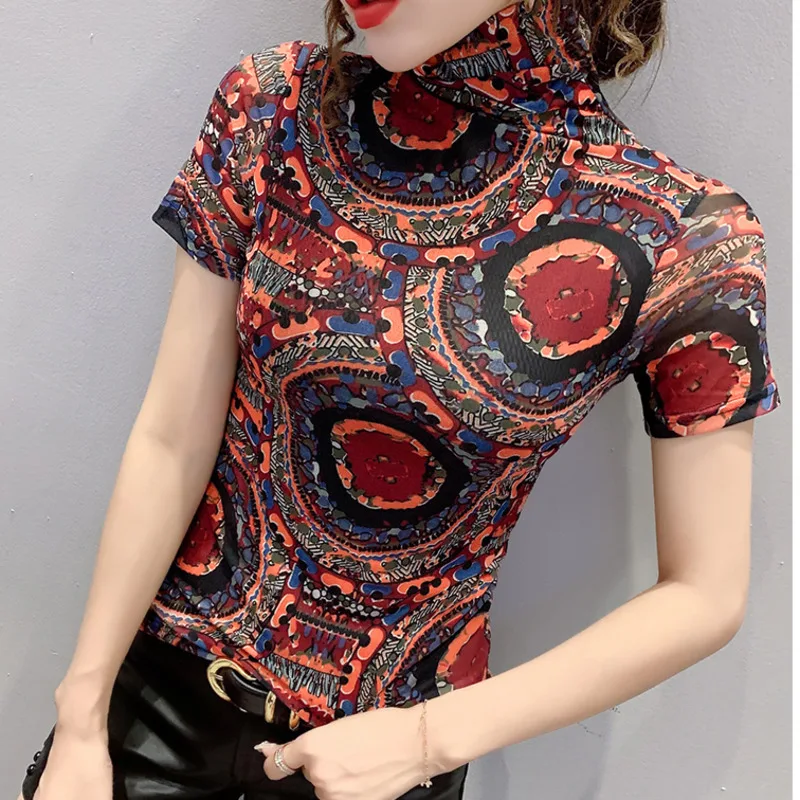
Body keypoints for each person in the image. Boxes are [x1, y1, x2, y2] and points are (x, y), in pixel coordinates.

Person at [19, 0, 782, 798]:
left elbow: (705, 593)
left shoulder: (685, 237)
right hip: (152, 718)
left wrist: (426, 741)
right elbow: (172, 436)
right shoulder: (275, 107)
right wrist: (81, 714)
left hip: (383, 765)